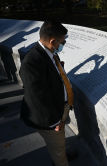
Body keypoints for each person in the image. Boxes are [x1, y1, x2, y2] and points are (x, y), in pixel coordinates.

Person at [19, 20, 74, 166]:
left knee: (59, 145)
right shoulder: (31, 63)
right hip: (49, 120)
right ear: (52, 41)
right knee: (57, 150)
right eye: (63, 42)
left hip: (58, 110)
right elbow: (37, 98)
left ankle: (61, 153)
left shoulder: (47, 52)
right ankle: (60, 160)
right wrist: (54, 122)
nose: (63, 44)